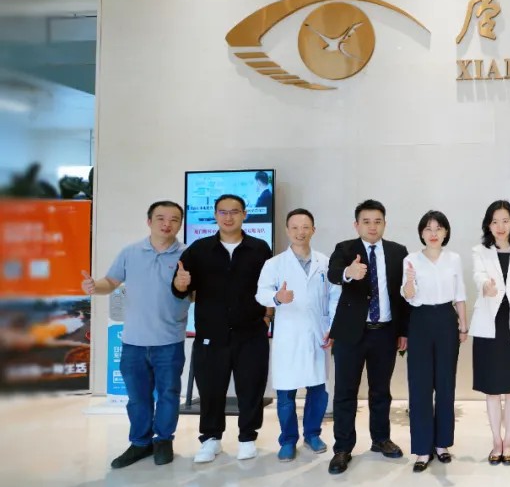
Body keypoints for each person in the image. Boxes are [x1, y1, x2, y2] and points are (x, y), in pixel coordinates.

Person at [81, 201, 190, 468]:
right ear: (149, 221)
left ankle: (163, 440)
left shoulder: (188, 255)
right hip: (133, 341)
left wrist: (185, 286)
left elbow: (197, 294)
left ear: (180, 224)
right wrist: (95, 286)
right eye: (160, 218)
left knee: (168, 395)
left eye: (174, 219)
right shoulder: (130, 252)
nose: (167, 224)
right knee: (138, 398)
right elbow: (111, 282)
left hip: (169, 340)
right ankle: (140, 443)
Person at [172, 194, 273, 464]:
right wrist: (181, 284)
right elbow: (180, 289)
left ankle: (247, 438)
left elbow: (270, 287)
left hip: (251, 332)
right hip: (211, 334)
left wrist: (267, 317)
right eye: (223, 212)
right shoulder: (199, 249)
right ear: (215, 215)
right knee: (210, 388)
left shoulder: (259, 248)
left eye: (234, 211)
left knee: (251, 388)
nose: (229, 217)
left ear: (244, 215)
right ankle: (210, 439)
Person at [325, 200, 410, 476]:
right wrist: (349, 273)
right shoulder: (345, 249)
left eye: (377, 221)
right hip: (351, 333)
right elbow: (333, 273)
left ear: (385, 223)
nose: (372, 227)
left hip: (385, 332)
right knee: (345, 392)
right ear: (356, 224)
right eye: (366, 221)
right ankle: (342, 448)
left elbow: (402, 296)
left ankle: (381, 439)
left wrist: (403, 331)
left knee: (381, 391)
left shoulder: (398, 252)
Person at [255, 209, 331, 462]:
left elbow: (334, 296)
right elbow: (261, 294)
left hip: (318, 334)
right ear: (288, 231)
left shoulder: (324, 262)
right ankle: (288, 440)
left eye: (306, 227)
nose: (301, 232)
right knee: (286, 393)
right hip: (288, 335)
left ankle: (312, 434)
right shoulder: (275, 264)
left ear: (313, 230)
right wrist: (277, 297)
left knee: (318, 389)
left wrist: (332, 326)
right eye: (295, 227)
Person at [469, 200, 510, 466]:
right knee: (492, 391)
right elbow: (478, 276)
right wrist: (485, 285)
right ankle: (496, 442)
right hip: (489, 327)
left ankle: (509, 443)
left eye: (505, 221)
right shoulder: (480, 251)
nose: (500, 226)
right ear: (488, 225)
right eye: (495, 221)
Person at [401, 210, 468, 472]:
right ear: (421, 233)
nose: (433, 233)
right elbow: (408, 296)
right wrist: (409, 282)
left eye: (438, 228)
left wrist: (463, 326)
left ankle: (442, 444)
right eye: (428, 228)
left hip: (446, 320)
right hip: (420, 320)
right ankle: (421, 448)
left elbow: (460, 294)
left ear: (446, 232)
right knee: (419, 385)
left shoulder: (454, 259)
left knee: (445, 383)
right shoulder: (411, 260)